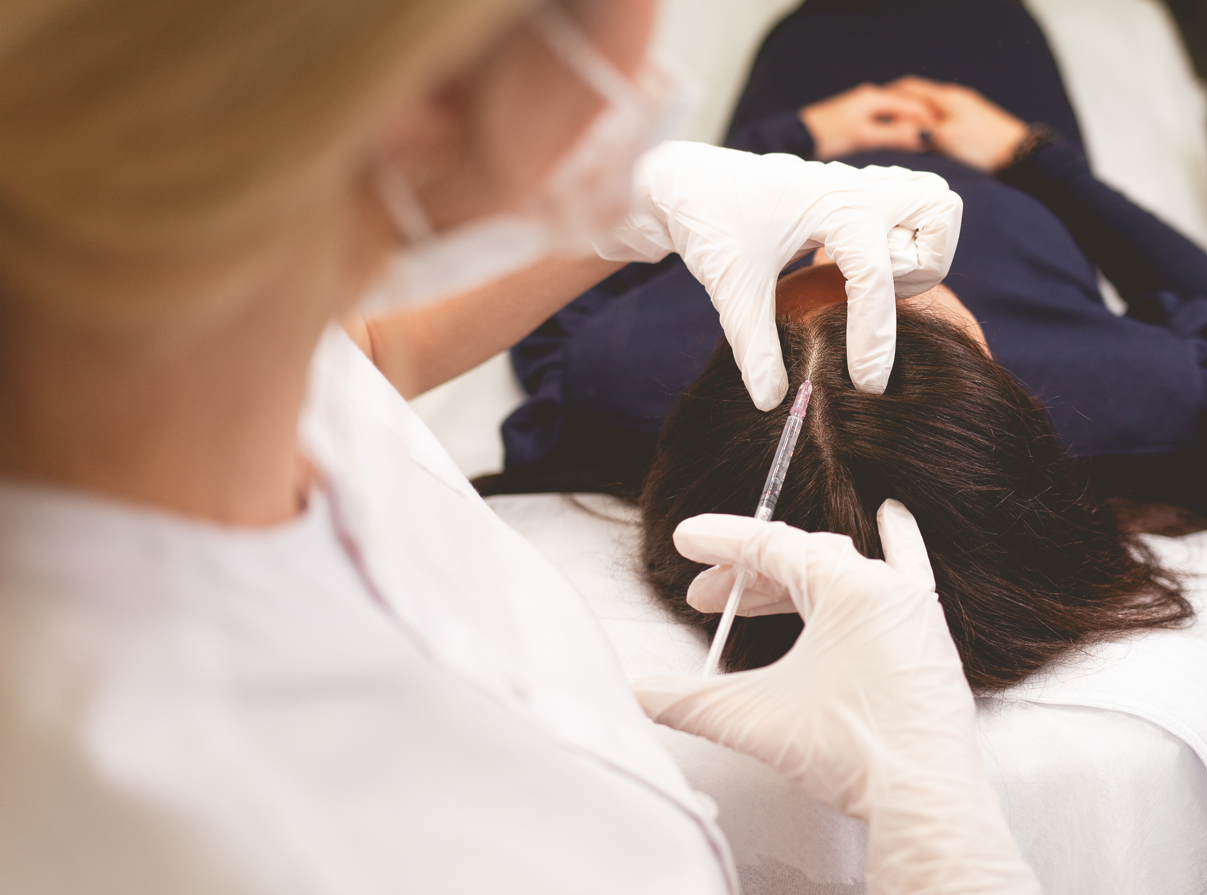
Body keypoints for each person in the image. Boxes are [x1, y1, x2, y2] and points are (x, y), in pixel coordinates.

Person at [0, 0, 1041, 893]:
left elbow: (353, 358)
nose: (654, 71)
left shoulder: (159, 354)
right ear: (430, 104)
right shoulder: (202, 805)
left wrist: (613, 218)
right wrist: (945, 842)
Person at [496, 0, 1207, 520]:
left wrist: (783, 145)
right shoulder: (1117, 395)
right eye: (916, 293)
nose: (866, 254)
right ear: (990, 389)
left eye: (825, 287)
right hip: (979, 114)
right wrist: (1033, 157)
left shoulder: (630, 377)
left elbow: (552, 302)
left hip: (816, 76)